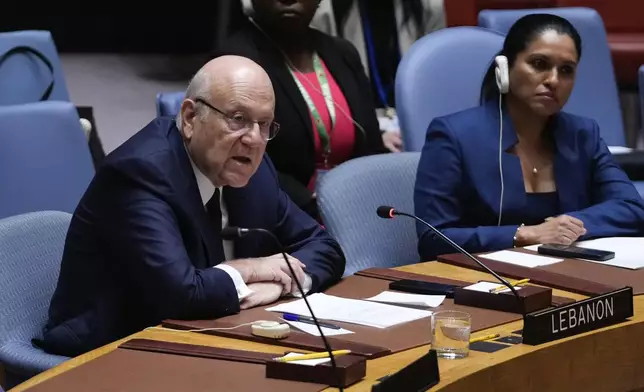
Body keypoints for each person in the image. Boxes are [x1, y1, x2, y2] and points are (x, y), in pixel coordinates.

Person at [38, 56, 345, 357]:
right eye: (238, 119)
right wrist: (251, 268)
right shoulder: (139, 174)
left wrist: (280, 286)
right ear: (189, 118)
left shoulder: (254, 170)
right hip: (109, 352)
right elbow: (180, 295)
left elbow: (325, 247)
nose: (253, 139)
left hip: (210, 336)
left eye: (264, 125)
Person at [414, 14, 644, 260]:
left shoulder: (583, 134)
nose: (553, 80)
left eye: (566, 70)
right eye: (539, 64)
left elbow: (632, 209)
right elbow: (433, 237)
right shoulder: (454, 135)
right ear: (504, 69)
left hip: (570, 275)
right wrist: (524, 235)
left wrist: (568, 226)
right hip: (481, 280)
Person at [214, 0, 402, 219]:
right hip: (286, 220)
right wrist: (320, 206)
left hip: (358, 210)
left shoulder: (343, 53)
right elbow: (241, 165)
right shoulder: (233, 63)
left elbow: (372, 149)